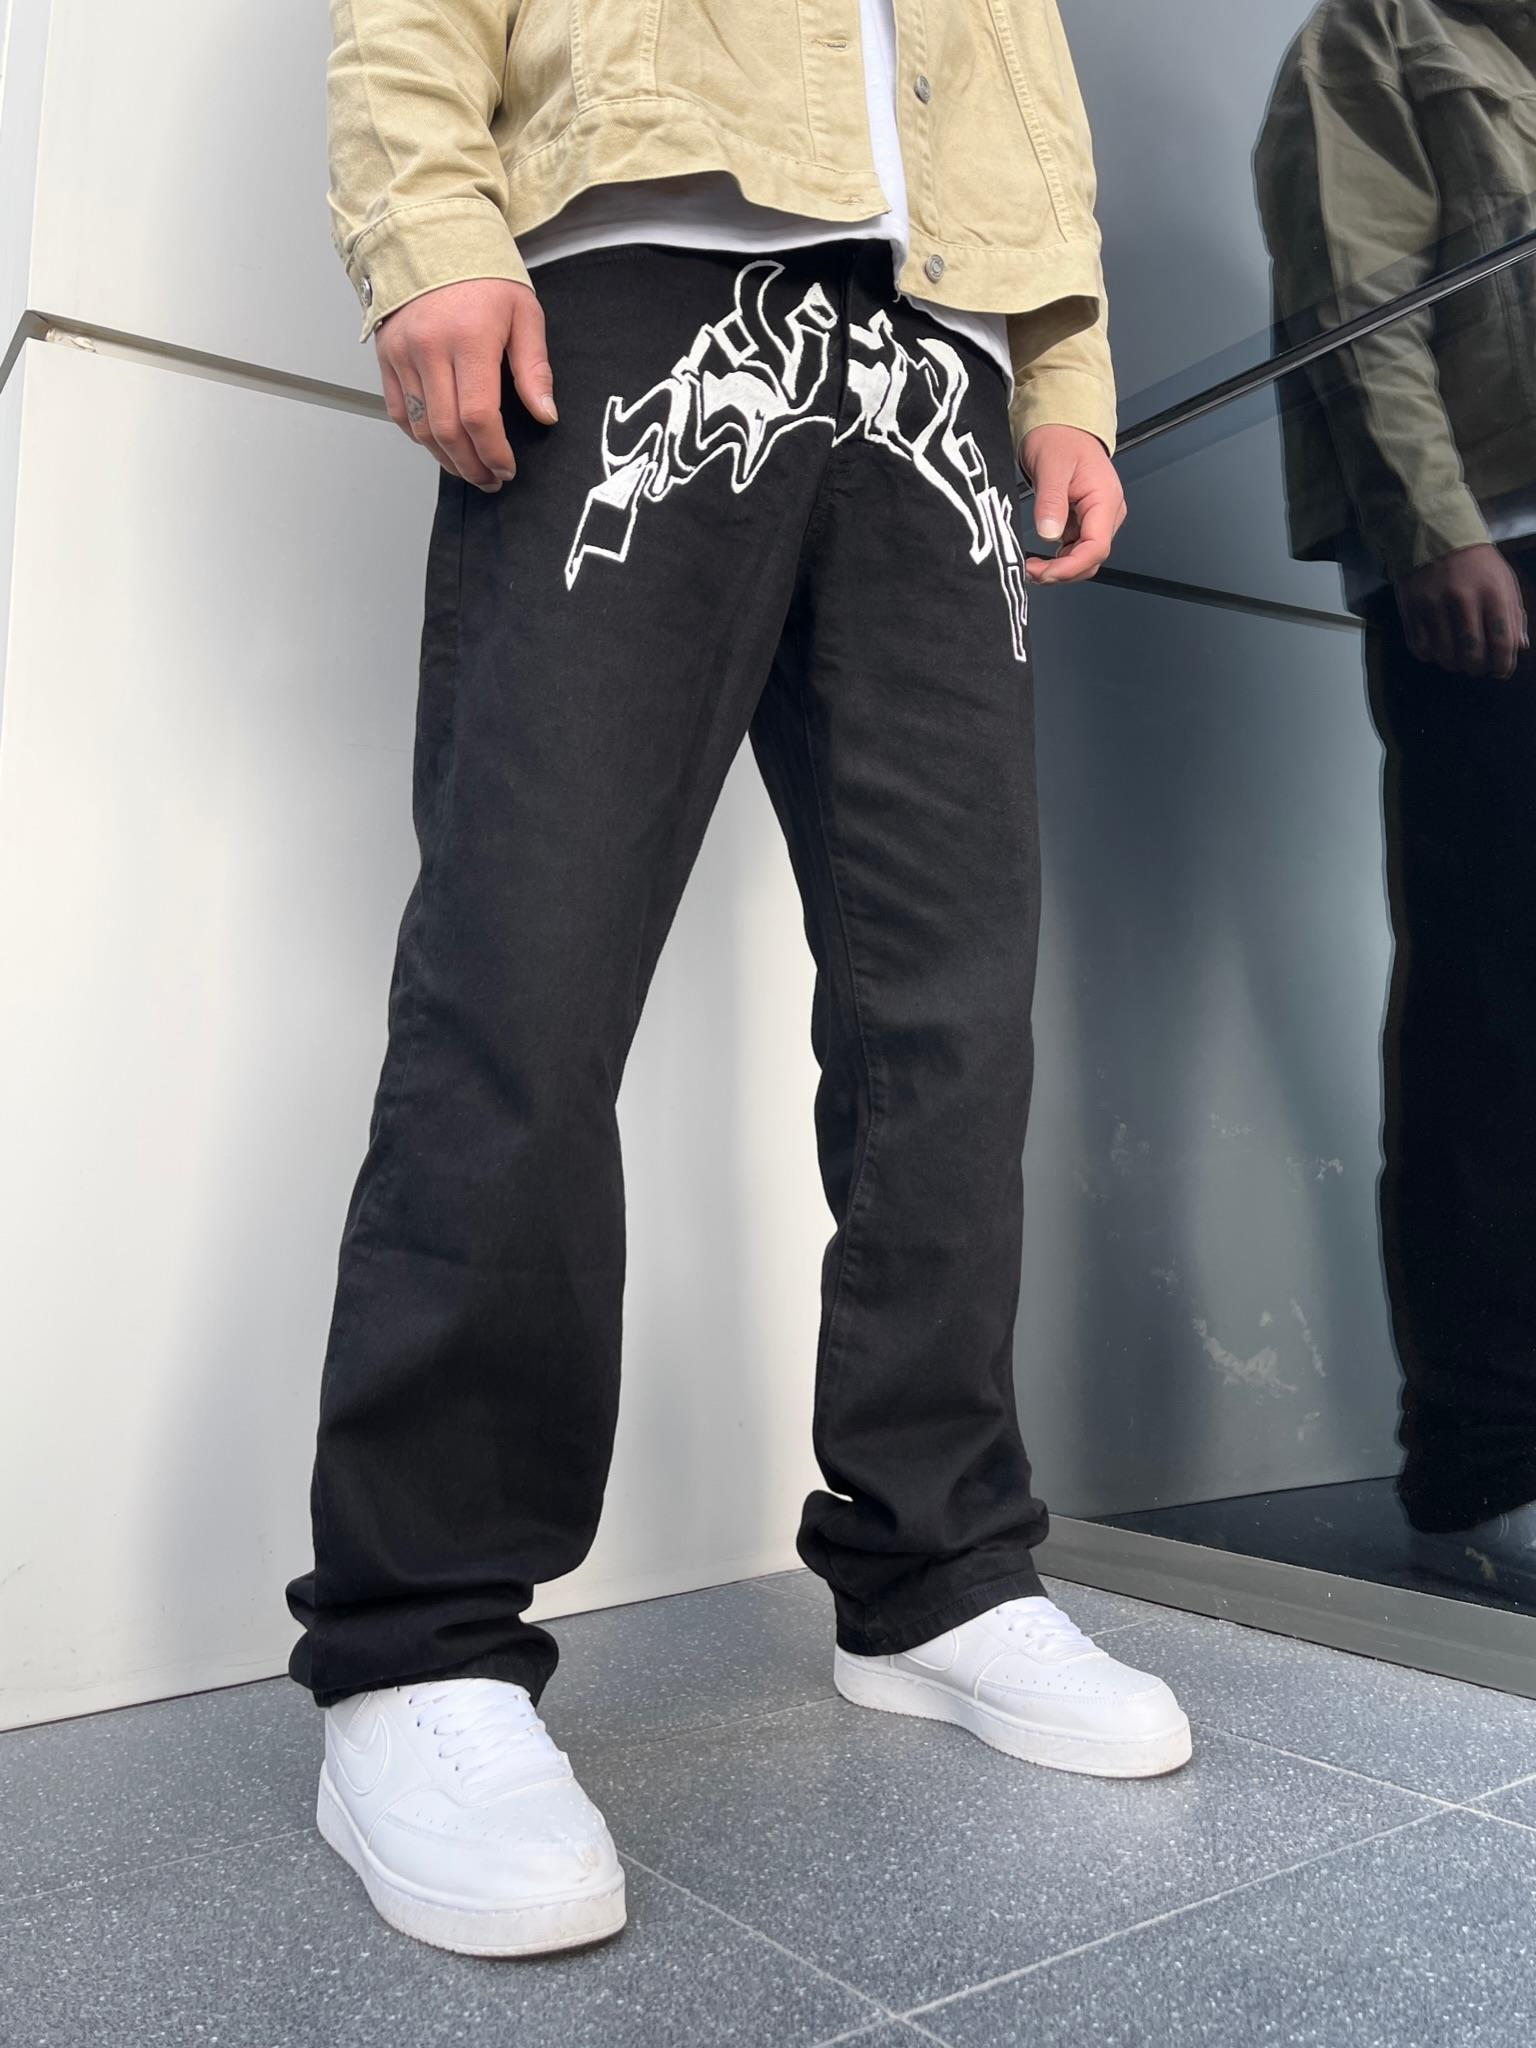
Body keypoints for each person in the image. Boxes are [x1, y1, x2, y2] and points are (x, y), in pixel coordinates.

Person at [285, 0, 1192, 1959]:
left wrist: (1065, 371)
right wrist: (428, 223)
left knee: (950, 1010)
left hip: (945, 349)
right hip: (636, 274)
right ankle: (417, 1642)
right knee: (529, 963)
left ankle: (936, 1568)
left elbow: (1020, 72)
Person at [1255, 0, 1536, 1605]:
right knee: (1494, 1011)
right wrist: (1435, 530)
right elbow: (1356, 297)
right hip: (1498, 554)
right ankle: (1484, 1467)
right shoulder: (1378, 32)